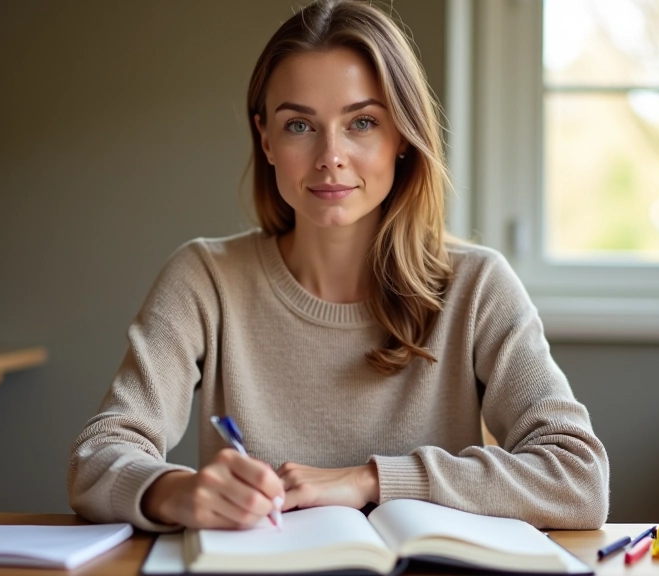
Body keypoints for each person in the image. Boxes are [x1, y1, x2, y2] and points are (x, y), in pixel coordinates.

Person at [67, 0, 609, 533]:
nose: (331, 155)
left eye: (362, 122)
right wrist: (176, 491)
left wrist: (371, 480)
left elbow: (579, 477)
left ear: (401, 136)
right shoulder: (205, 278)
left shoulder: (477, 285)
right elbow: (98, 456)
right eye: (300, 126)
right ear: (266, 139)